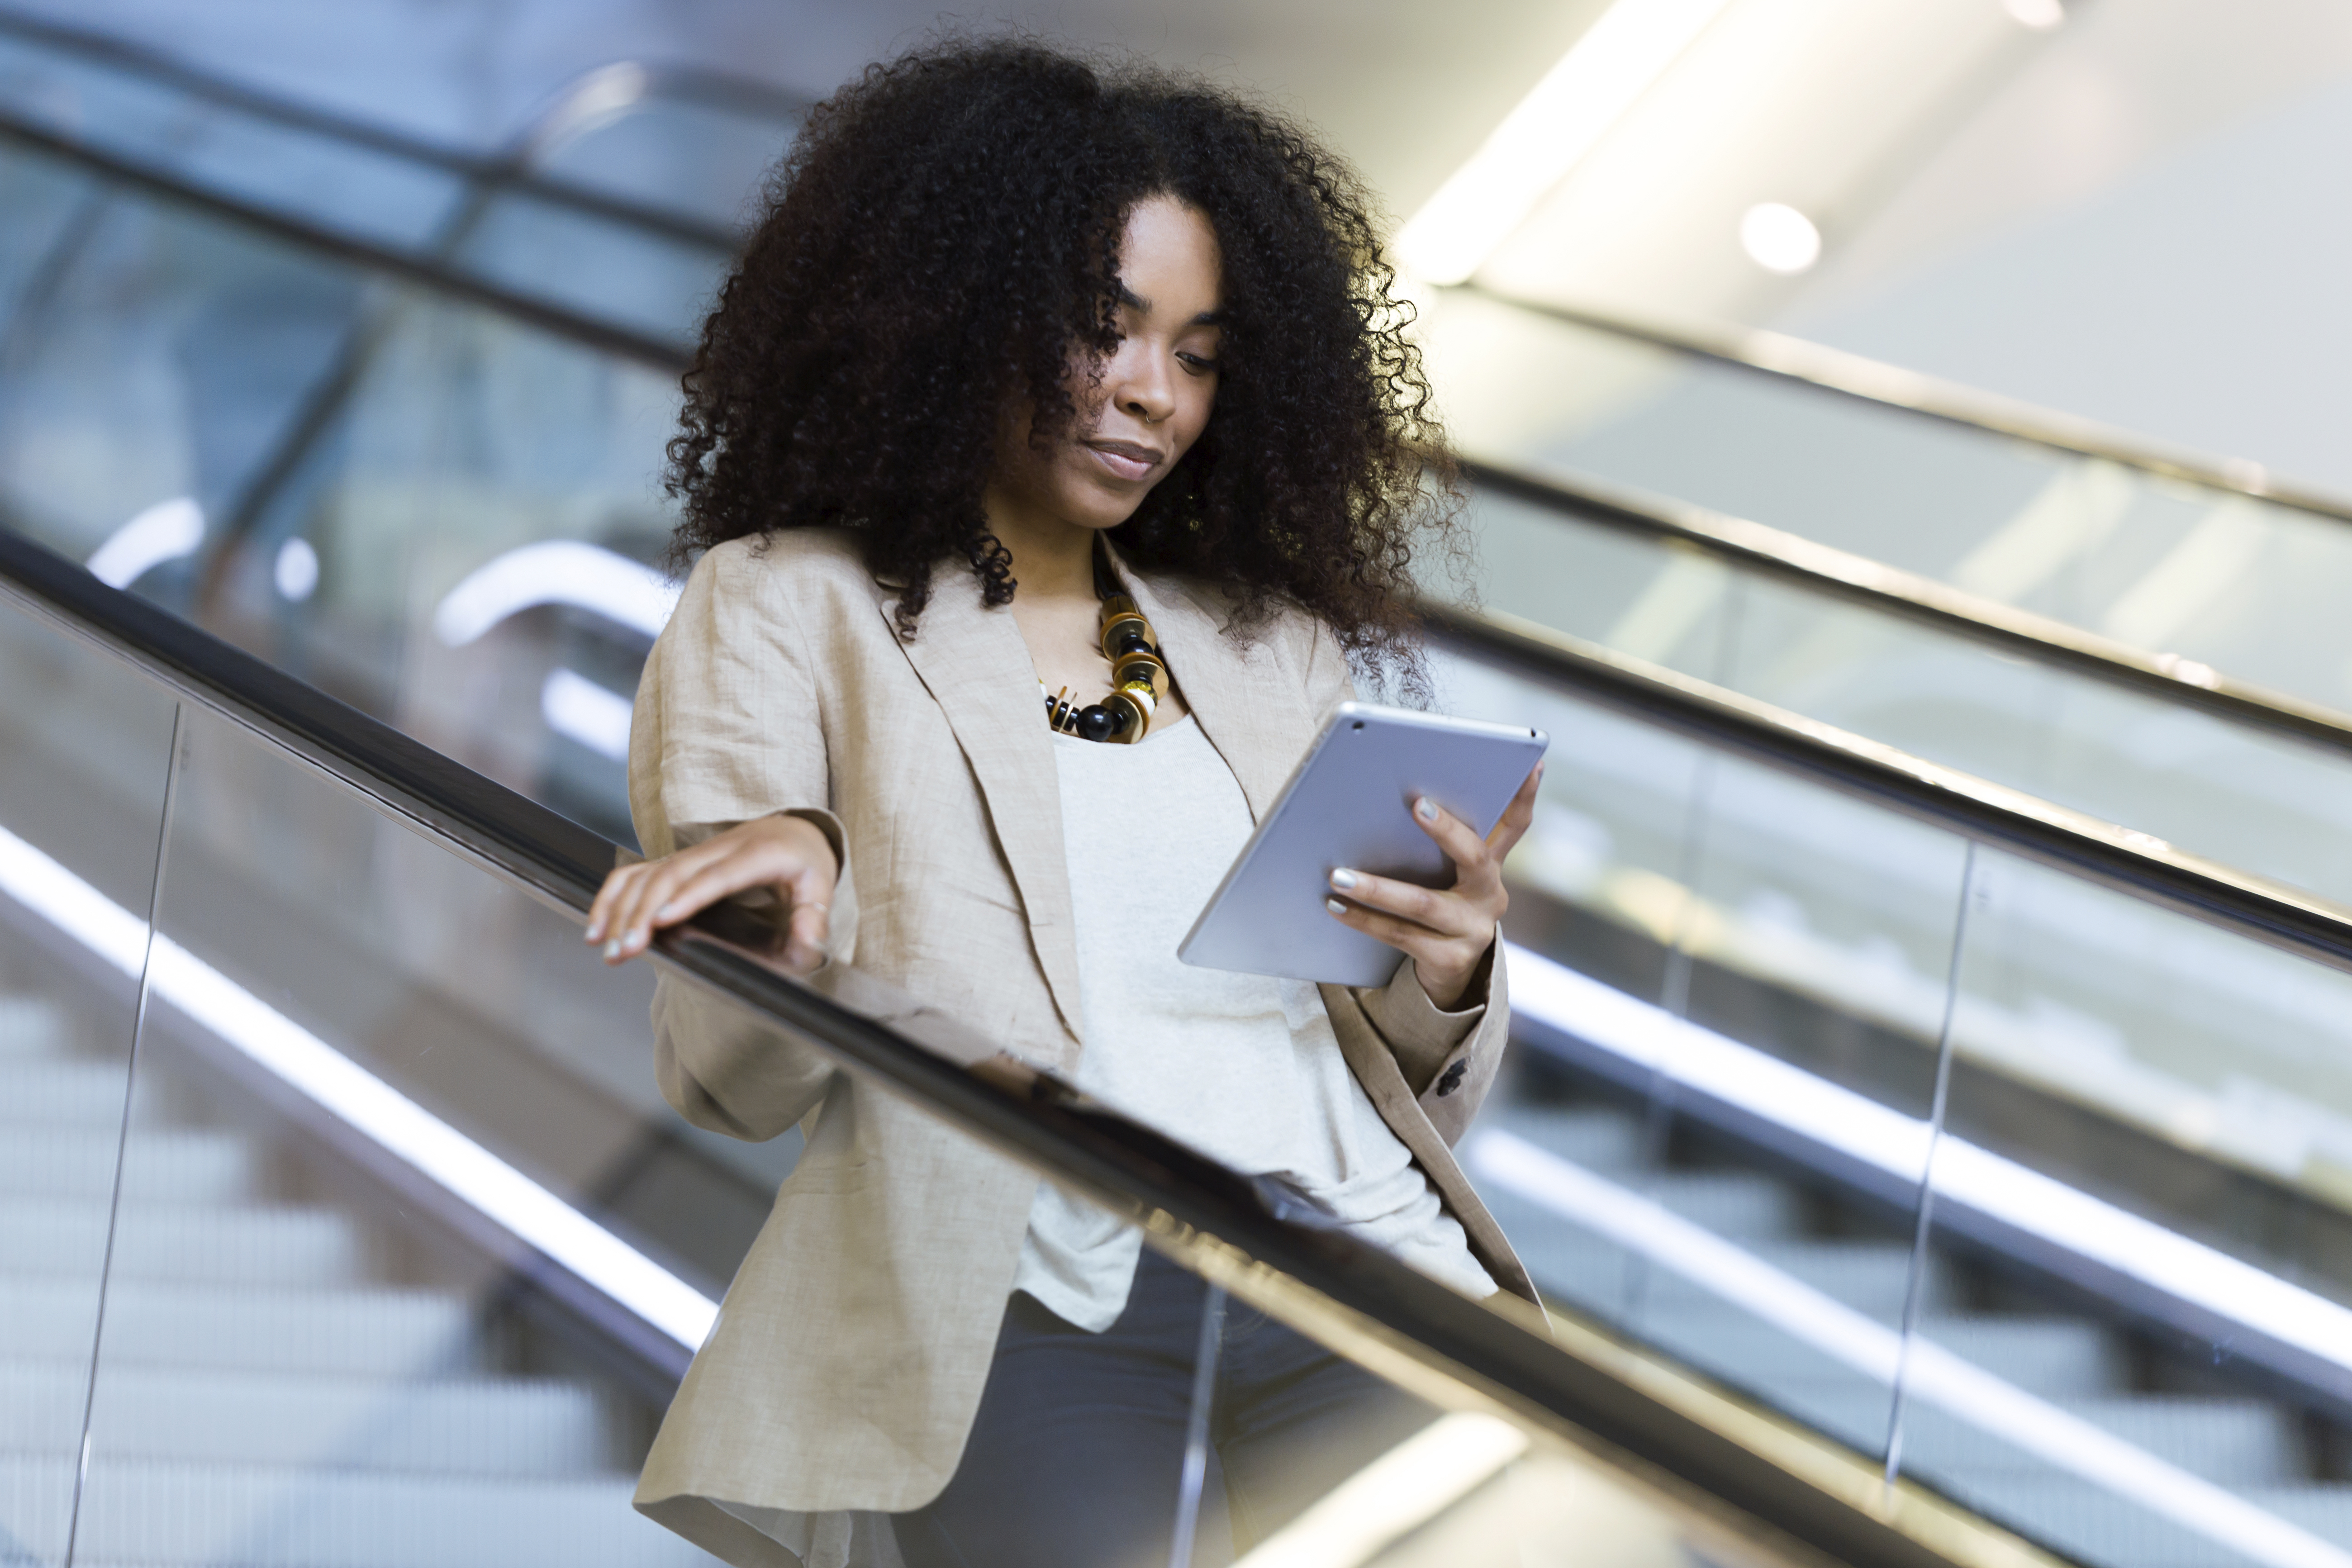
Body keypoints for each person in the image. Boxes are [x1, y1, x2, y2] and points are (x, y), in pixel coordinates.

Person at [585, 38, 1543, 1568]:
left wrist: (1450, 970)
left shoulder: (1261, 641)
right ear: (963, 316)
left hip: (1359, 1260)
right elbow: (729, 1082)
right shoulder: (783, 607)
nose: (1153, 394)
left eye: (1201, 352)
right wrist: (774, 918)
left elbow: (1413, 1087)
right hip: (1034, 1299)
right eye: (1104, 329)